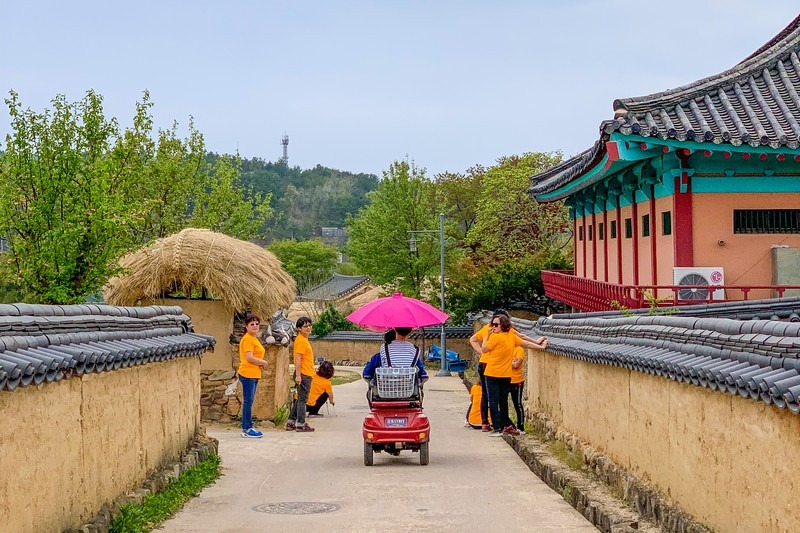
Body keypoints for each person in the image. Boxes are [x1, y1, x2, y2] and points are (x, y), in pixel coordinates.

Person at [469, 308, 545, 432]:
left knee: (491, 396)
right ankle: (496, 424)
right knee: (493, 397)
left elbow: (521, 339)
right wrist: (537, 343)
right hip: (489, 366)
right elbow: (521, 337)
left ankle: (488, 423)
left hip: (489, 365)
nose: (493, 326)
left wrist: (538, 344)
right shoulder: (497, 333)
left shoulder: (495, 331)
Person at [238, 314, 269, 438]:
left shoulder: (254, 338)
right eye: (252, 324)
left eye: (257, 323)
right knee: (248, 402)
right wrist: (263, 362)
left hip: (254, 373)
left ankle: (248, 426)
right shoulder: (248, 339)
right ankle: (247, 428)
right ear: (246, 326)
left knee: (249, 401)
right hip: (248, 373)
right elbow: (249, 358)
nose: (255, 326)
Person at [287, 316, 316, 432]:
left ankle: (291, 422)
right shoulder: (301, 341)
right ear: (299, 328)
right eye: (305, 326)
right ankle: (301, 423)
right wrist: (298, 375)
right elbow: (298, 359)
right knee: (303, 400)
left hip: (306, 372)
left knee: (299, 398)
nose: (308, 328)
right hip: (303, 374)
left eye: (309, 325)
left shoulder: (303, 339)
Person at [509, 346, 526, 434]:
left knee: (517, 404)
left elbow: (516, 365)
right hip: (505, 379)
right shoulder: (505, 348)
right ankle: (507, 425)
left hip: (517, 381)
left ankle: (521, 426)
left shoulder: (519, 350)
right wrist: (510, 362)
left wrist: (505, 362)